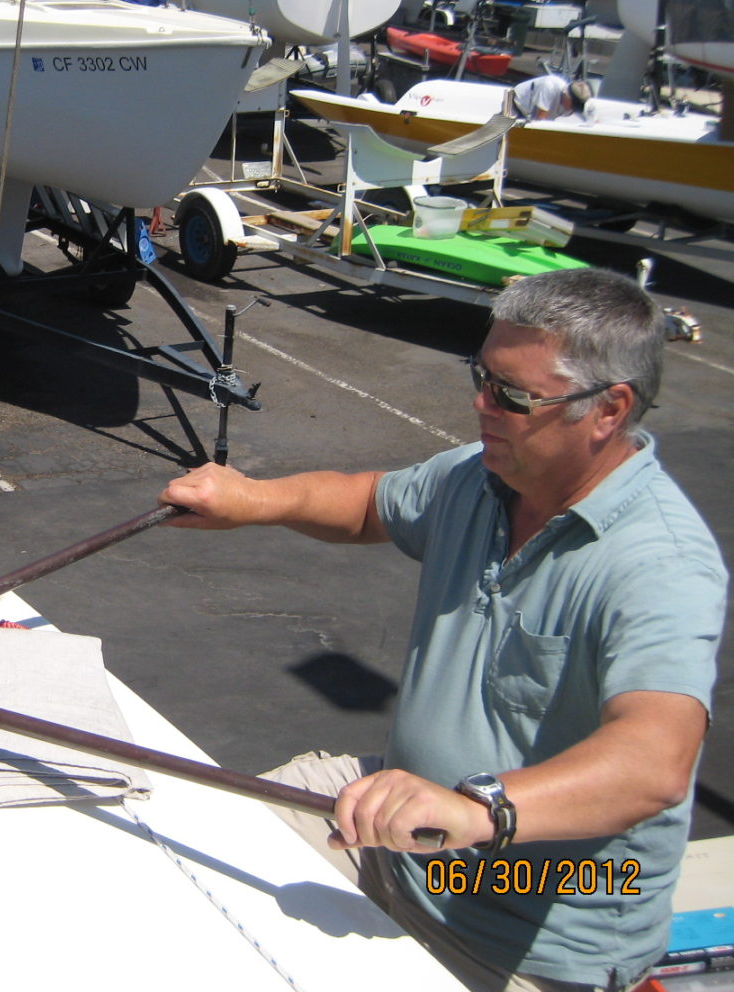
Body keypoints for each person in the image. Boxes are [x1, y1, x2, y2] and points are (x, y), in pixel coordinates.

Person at [158, 267, 725, 992]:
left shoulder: (659, 564)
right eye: (479, 377)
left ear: (608, 410)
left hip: (513, 931)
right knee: (195, 830)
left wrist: (474, 808)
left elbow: (653, 762)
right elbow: (369, 503)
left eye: (512, 395)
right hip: (398, 830)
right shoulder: (483, 477)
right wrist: (249, 499)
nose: (482, 405)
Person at [512, 74, 592, 120]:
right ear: (567, 97)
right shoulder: (549, 86)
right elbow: (540, 119)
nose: (572, 110)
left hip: (536, 116)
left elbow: (590, 120)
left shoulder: (571, 103)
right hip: (517, 106)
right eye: (573, 107)